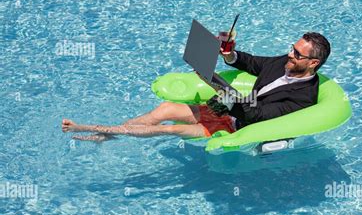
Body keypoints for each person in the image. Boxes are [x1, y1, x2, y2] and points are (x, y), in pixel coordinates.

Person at [62, 32, 330, 141]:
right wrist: (229, 53)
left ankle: (91, 128)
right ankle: (110, 134)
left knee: (173, 128)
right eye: (292, 49)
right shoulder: (284, 62)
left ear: (313, 62)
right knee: (165, 109)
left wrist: (220, 90)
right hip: (228, 106)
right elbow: (251, 62)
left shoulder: (303, 97)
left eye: (297, 54)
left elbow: (256, 115)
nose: (289, 55)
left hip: (237, 124)